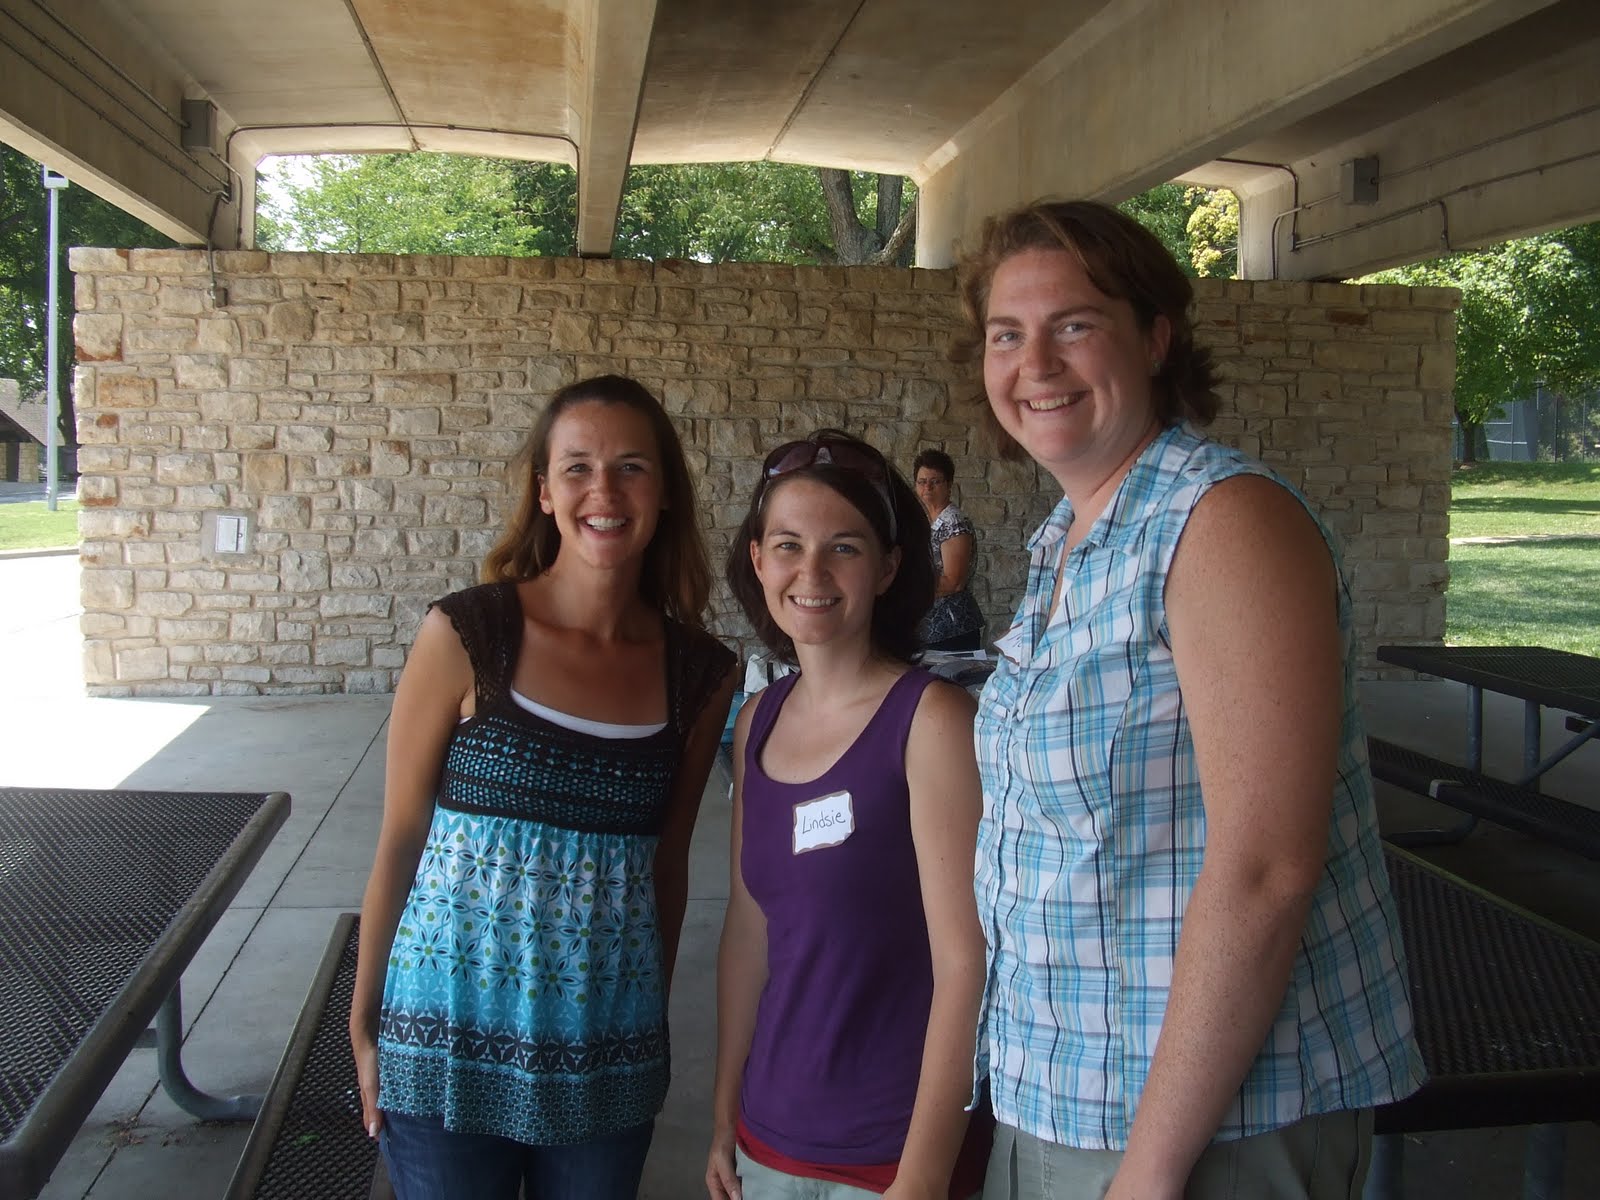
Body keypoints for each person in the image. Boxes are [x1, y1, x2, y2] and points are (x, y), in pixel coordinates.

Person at [953, 201, 1425, 1200]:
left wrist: (1152, 1172)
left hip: (1207, 1128)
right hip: (1061, 1095)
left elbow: (1265, 868)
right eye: (1007, 333)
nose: (1034, 362)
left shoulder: (1220, 525)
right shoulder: (1072, 536)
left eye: (1073, 324)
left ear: (1155, 337)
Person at [350, 374, 736, 1200]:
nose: (605, 490)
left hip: (606, 1053)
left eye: (632, 467)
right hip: (443, 1041)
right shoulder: (466, 633)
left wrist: (646, 1017)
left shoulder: (702, 675)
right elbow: (402, 835)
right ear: (544, 492)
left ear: (664, 493)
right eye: (578, 467)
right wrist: (363, 1015)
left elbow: (668, 868)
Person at [707, 430, 990, 1200]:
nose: (813, 573)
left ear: (890, 567)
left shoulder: (930, 723)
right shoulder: (757, 719)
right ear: (759, 560)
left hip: (891, 1151)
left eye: (845, 548)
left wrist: (924, 1174)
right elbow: (747, 931)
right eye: (790, 546)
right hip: (770, 1137)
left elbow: (968, 960)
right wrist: (723, 1114)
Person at [911, 448, 985, 652]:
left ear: (949, 485)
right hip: (929, 627)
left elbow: (953, 582)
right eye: (922, 481)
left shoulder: (953, 522)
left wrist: (909, 591)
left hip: (951, 628)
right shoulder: (927, 520)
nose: (927, 487)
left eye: (935, 481)